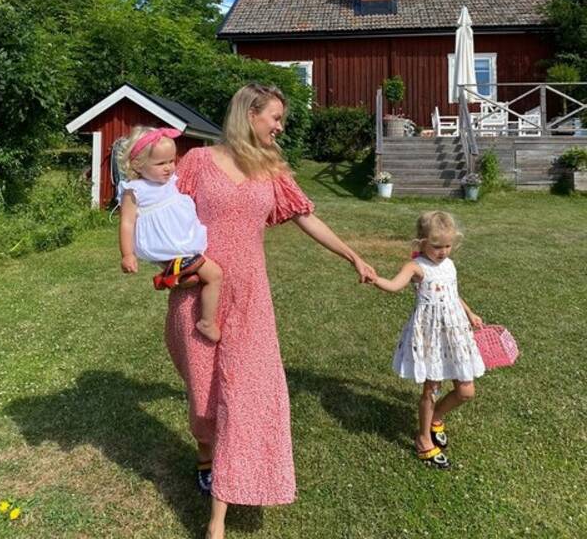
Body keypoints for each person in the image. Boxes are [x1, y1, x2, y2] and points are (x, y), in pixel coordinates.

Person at [164, 83, 376, 539]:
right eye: (275, 117)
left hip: (251, 299)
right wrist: (169, 266)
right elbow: (165, 216)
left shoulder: (272, 168)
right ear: (249, 114)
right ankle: (206, 455)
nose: (280, 126)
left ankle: (227, 498)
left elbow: (305, 216)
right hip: (198, 292)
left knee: (247, 395)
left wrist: (352, 255)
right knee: (204, 398)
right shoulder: (198, 162)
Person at [372, 210, 484, 469]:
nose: (443, 251)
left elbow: (453, 293)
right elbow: (394, 285)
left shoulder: (449, 265)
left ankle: (436, 418)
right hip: (432, 336)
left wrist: (469, 313)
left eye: (448, 245)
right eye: (436, 246)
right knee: (431, 388)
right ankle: (423, 439)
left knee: (466, 391)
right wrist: (375, 279)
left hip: (455, 333)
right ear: (421, 242)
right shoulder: (417, 266)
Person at [118, 126, 222, 343]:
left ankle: (176, 274)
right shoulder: (134, 189)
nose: (169, 168)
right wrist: (127, 254)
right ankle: (206, 321)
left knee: (194, 277)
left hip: (179, 238)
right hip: (165, 242)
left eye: (171, 161)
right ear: (138, 164)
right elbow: (127, 222)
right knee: (215, 275)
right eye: (160, 163)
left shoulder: (170, 182)